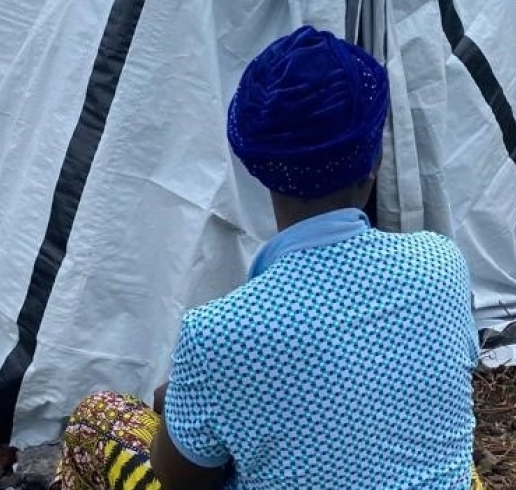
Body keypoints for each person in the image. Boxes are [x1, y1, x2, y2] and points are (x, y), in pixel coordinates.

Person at [54, 26, 483, 490]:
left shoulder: (215, 334)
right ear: (375, 157)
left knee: (96, 420)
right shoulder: (442, 264)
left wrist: (188, 398)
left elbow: (181, 482)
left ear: (254, 162)